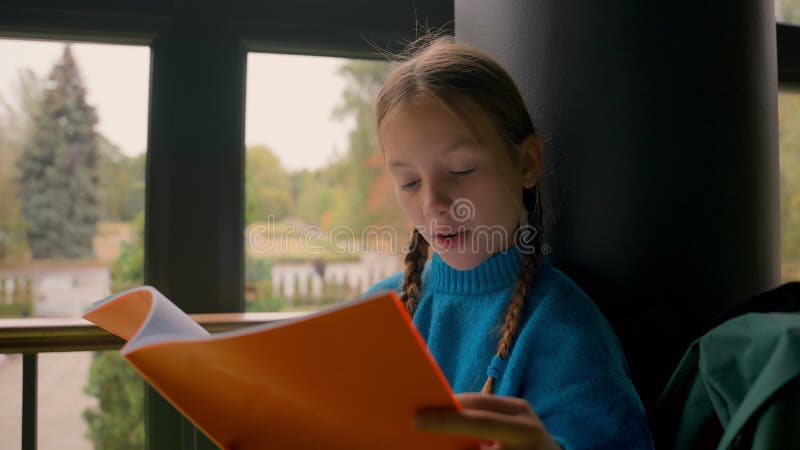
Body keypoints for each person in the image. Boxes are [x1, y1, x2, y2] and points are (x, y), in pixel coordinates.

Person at [362, 35, 654, 450]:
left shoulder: (563, 325)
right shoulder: (371, 317)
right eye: (409, 181)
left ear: (527, 162)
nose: (433, 202)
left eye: (461, 170)